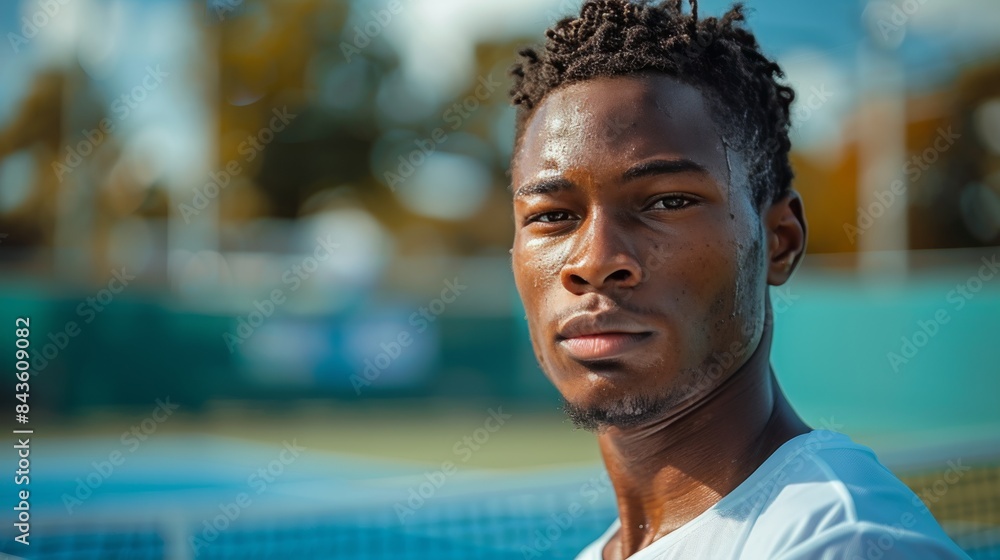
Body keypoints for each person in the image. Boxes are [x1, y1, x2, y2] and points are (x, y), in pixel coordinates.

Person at [505, 1, 971, 558]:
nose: (595, 260)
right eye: (553, 215)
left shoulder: (838, 540)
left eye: (667, 201)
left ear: (780, 241)